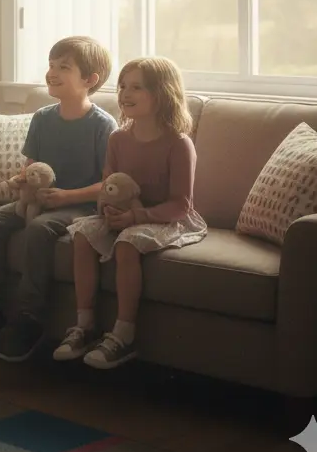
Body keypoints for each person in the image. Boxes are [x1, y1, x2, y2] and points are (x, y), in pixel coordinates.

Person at [0, 36, 117, 362]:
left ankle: (29, 319)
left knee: (38, 229)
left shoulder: (103, 126)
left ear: (89, 80)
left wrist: (66, 197)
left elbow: (108, 184)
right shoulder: (42, 118)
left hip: (80, 205)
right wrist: (22, 182)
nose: (52, 72)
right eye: (51, 65)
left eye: (64, 67)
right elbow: (31, 167)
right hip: (40, 199)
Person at [55, 56, 207, 369]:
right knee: (82, 236)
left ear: (162, 93)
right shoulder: (118, 139)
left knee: (127, 243)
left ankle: (124, 335)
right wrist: (107, 209)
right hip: (123, 214)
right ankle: (84, 325)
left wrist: (135, 218)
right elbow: (108, 186)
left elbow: (181, 204)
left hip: (166, 218)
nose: (125, 93)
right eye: (123, 86)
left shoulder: (179, 144)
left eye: (136, 87)